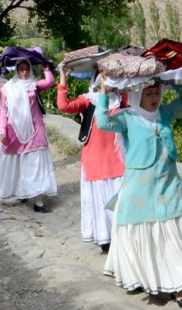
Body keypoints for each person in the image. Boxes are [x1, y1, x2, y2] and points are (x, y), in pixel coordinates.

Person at [96, 78, 182, 309]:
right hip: (139, 187)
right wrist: (103, 92)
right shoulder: (127, 118)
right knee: (140, 231)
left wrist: (174, 83)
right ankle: (144, 278)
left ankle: (177, 286)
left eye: (156, 93)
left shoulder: (165, 113)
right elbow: (102, 122)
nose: (154, 98)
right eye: (149, 94)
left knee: (170, 231)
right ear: (137, 96)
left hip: (168, 183)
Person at [56, 65, 124, 253]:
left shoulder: (121, 100)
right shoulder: (88, 101)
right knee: (101, 200)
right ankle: (105, 238)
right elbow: (64, 106)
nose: (106, 80)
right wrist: (63, 79)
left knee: (120, 198)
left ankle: (123, 235)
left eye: (108, 76)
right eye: (102, 76)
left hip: (119, 159)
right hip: (95, 160)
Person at [0, 59, 57, 212]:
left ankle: (38, 201)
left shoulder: (34, 84)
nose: (24, 72)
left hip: (35, 130)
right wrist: (2, 131)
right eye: (21, 69)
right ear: (16, 70)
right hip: (14, 130)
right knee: (20, 165)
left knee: (35, 164)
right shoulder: (8, 87)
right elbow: (3, 111)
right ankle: (23, 192)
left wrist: (44, 64)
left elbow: (50, 81)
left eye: (27, 69)